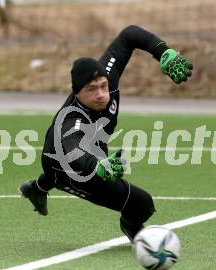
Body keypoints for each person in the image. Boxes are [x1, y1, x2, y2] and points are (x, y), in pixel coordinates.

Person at [19, 25, 193, 242]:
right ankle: (130, 225)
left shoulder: (105, 76)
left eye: (103, 86)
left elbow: (129, 34)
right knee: (143, 205)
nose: (101, 94)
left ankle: (37, 188)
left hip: (95, 148)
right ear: (77, 92)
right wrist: (98, 166)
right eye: (91, 89)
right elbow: (77, 152)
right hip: (69, 166)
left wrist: (163, 52)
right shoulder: (71, 121)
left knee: (102, 160)